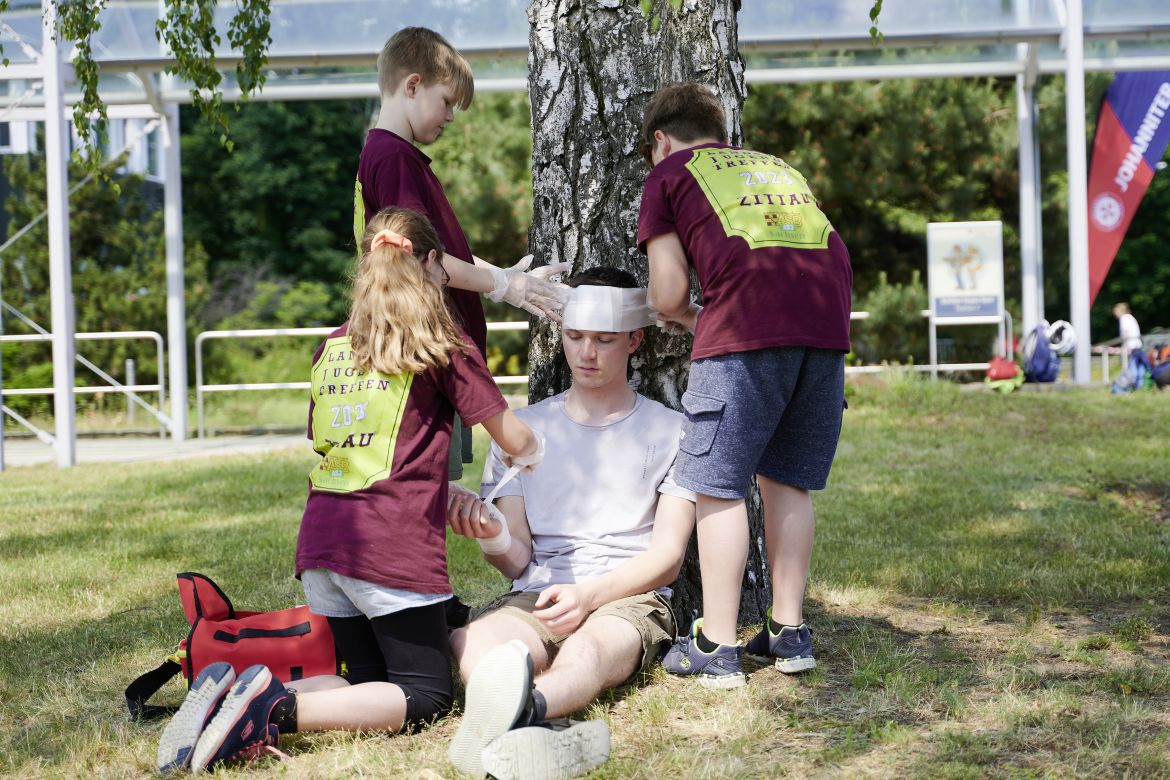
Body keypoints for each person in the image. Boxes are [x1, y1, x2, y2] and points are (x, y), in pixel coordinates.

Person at [156, 208, 545, 774]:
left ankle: (233, 695)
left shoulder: (332, 347)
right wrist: (535, 448)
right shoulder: (440, 342)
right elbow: (514, 437)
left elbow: (339, 441)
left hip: (322, 548)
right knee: (425, 696)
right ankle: (269, 708)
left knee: (367, 686)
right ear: (432, 264)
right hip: (387, 552)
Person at [637, 83, 853, 688]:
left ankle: (717, 642)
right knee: (788, 480)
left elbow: (667, 294)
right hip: (825, 331)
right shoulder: (776, 169)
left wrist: (688, 318)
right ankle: (789, 631)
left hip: (744, 334)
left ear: (661, 140)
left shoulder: (669, 173)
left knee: (718, 486)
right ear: (723, 132)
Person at [443, 267, 697, 779]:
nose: (586, 353)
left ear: (634, 340)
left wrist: (588, 596)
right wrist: (493, 535)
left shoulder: (673, 431)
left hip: (628, 596)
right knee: (471, 644)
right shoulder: (521, 430)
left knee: (590, 649)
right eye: (575, 336)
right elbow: (516, 561)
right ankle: (535, 733)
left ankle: (522, 715)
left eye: (604, 340)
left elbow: (668, 559)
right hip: (539, 592)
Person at [357, 25, 568, 484]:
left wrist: (507, 281)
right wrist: (503, 285)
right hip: (424, 358)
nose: (451, 116)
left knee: (439, 490)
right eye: (447, 101)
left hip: (424, 355)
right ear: (413, 85)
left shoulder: (393, 156)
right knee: (428, 490)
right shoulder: (393, 158)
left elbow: (440, 253)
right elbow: (418, 258)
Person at [1113, 302, 1142, 367]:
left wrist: (1124, 347)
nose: (1115, 314)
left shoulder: (1124, 318)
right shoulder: (1129, 317)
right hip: (1136, 345)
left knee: (1132, 367)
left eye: (1115, 312)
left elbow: (1126, 333)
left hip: (1131, 346)